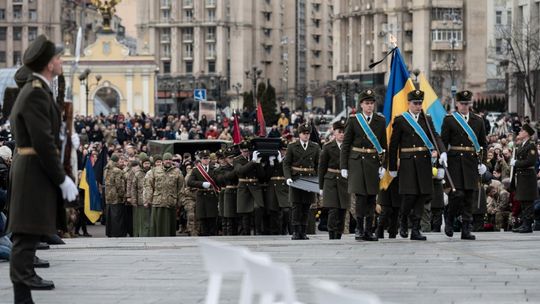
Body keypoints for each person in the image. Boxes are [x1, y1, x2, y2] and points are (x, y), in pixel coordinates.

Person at [8, 35, 79, 302]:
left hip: (34, 169)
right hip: (33, 171)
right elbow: (42, 141)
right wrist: (61, 178)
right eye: (58, 58)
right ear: (49, 64)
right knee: (25, 237)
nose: (61, 61)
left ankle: (23, 298)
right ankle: (22, 298)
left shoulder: (40, 89)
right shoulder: (35, 93)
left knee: (29, 233)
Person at [388, 90, 445, 241]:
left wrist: (442, 151)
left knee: (421, 196)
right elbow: (393, 145)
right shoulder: (401, 120)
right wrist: (392, 166)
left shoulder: (426, 119)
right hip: (407, 163)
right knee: (409, 196)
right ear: (409, 103)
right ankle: (404, 220)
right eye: (415, 103)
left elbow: (435, 136)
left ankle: (416, 229)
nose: (418, 106)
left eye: (420, 103)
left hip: (423, 162)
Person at [440, 90, 488, 240]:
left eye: (467, 104)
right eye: (462, 103)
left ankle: (466, 229)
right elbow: (443, 140)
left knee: (469, 196)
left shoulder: (478, 120)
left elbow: (483, 144)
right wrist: (442, 155)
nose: (465, 106)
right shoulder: (449, 120)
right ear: (457, 104)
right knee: (457, 194)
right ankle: (449, 218)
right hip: (454, 161)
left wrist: (483, 163)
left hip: (471, 162)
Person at [340, 89, 387, 241]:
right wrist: (344, 166)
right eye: (367, 103)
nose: (369, 106)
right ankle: (359, 229)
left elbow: (383, 145)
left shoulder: (380, 121)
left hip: (373, 162)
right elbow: (346, 145)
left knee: (371, 197)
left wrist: (383, 165)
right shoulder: (353, 120)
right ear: (361, 104)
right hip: (357, 162)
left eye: (372, 103)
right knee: (360, 197)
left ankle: (369, 229)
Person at [283, 123, 321, 240]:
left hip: (309, 178)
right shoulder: (292, 146)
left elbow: (318, 165)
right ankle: (295, 231)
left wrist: (318, 180)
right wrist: (288, 177)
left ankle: (303, 232)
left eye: (307, 133)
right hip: (296, 178)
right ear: (299, 134)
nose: (306, 136)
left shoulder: (315, 147)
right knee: (296, 206)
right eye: (304, 134)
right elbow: (286, 163)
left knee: (306, 206)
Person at [319, 121, 350, 240]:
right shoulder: (328, 147)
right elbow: (322, 167)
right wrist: (321, 186)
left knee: (343, 209)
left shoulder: (349, 147)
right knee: (333, 208)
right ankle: (332, 233)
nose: (342, 134)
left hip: (344, 180)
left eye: (344, 132)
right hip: (330, 180)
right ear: (334, 132)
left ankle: (339, 233)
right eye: (340, 132)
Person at [510, 124, 538, 233]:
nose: (520, 132)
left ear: (526, 133)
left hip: (528, 177)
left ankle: (528, 225)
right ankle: (524, 223)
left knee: (528, 202)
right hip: (522, 177)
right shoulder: (522, 145)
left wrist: (516, 163)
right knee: (523, 202)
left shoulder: (531, 146)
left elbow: (531, 161)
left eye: (522, 131)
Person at [187, 150, 219, 236]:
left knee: (212, 220)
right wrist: (201, 184)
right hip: (201, 196)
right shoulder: (196, 170)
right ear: (200, 159)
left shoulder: (214, 169)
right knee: (203, 220)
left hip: (212, 197)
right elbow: (189, 182)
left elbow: (218, 181)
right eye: (204, 159)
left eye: (207, 158)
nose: (206, 160)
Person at [104, 154, 127, 237]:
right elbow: (119, 185)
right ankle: (118, 233)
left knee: (110, 216)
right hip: (116, 197)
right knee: (117, 217)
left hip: (108, 196)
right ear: (116, 161)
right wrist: (122, 195)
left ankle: (109, 232)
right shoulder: (117, 171)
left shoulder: (106, 169)